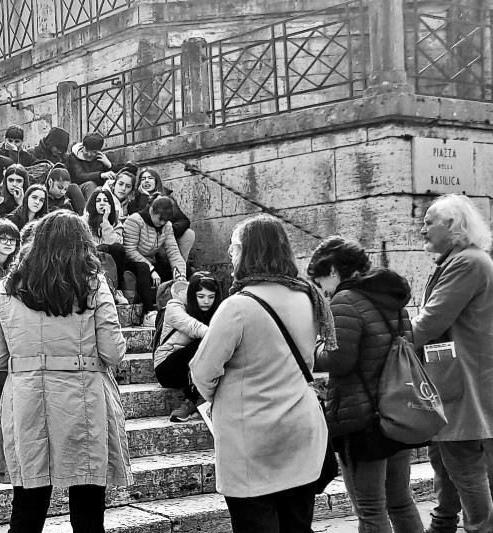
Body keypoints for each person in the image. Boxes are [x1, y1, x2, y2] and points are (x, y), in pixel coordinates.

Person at [0, 210, 132, 532]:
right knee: (88, 509)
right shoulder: (93, 285)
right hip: (82, 399)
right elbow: (112, 351)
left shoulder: (5, 289)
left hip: (26, 401)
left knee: (27, 507)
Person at [189, 214, 334, 533]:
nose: (231, 255)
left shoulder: (238, 306)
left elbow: (202, 371)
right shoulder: (308, 297)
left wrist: (224, 398)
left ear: (249, 251)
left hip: (251, 440)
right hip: (300, 431)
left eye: (234, 248)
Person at [308, 236, 423, 532]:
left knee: (370, 508)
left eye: (320, 281)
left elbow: (339, 360)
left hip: (360, 418)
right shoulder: (393, 300)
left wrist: (314, 350)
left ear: (333, 270)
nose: (322, 290)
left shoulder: (345, 301)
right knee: (400, 500)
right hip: (396, 410)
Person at [411, 194, 493, 533]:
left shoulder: (466, 262)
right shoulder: (466, 260)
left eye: (429, 223)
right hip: (463, 377)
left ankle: (480, 528)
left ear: (451, 225)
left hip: (465, 379)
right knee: (447, 457)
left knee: (463, 463)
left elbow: (430, 320)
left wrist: (392, 342)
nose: (422, 230)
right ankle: (444, 523)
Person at [155, 272, 222, 423]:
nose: (206, 301)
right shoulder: (174, 306)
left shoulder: (214, 311)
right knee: (206, 344)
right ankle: (193, 401)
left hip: (195, 366)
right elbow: (194, 327)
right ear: (192, 294)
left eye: (211, 297)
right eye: (201, 296)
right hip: (168, 368)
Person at [123, 195, 187, 315]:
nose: (162, 222)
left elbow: (173, 251)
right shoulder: (134, 221)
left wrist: (180, 274)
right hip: (133, 263)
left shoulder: (166, 225)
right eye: (160, 219)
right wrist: (151, 269)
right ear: (151, 211)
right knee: (143, 268)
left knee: (181, 269)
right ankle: (149, 312)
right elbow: (129, 250)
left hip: (151, 262)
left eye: (165, 220)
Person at [128, 167, 196, 263]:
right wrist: (145, 197)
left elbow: (183, 220)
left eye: (150, 178)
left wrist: (167, 231)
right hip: (145, 239)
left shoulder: (167, 199)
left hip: (165, 237)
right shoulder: (135, 201)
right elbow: (140, 218)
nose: (146, 181)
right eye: (143, 179)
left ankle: (180, 265)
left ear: (156, 181)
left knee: (189, 234)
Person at [83, 187, 127, 304]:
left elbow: (116, 243)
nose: (102, 203)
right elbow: (86, 243)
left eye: (105, 200)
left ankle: (117, 290)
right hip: (91, 258)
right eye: (98, 201)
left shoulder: (116, 223)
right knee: (103, 249)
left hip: (112, 259)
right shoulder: (84, 221)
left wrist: (105, 221)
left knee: (116, 248)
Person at [67, 132, 117, 199]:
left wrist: (109, 165)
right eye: (86, 150)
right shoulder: (73, 157)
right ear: (83, 146)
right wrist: (101, 175)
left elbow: (117, 174)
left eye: (94, 152)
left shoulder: (101, 158)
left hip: (99, 190)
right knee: (90, 185)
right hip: (79, 190)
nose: (89, 154)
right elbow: (79, 176)